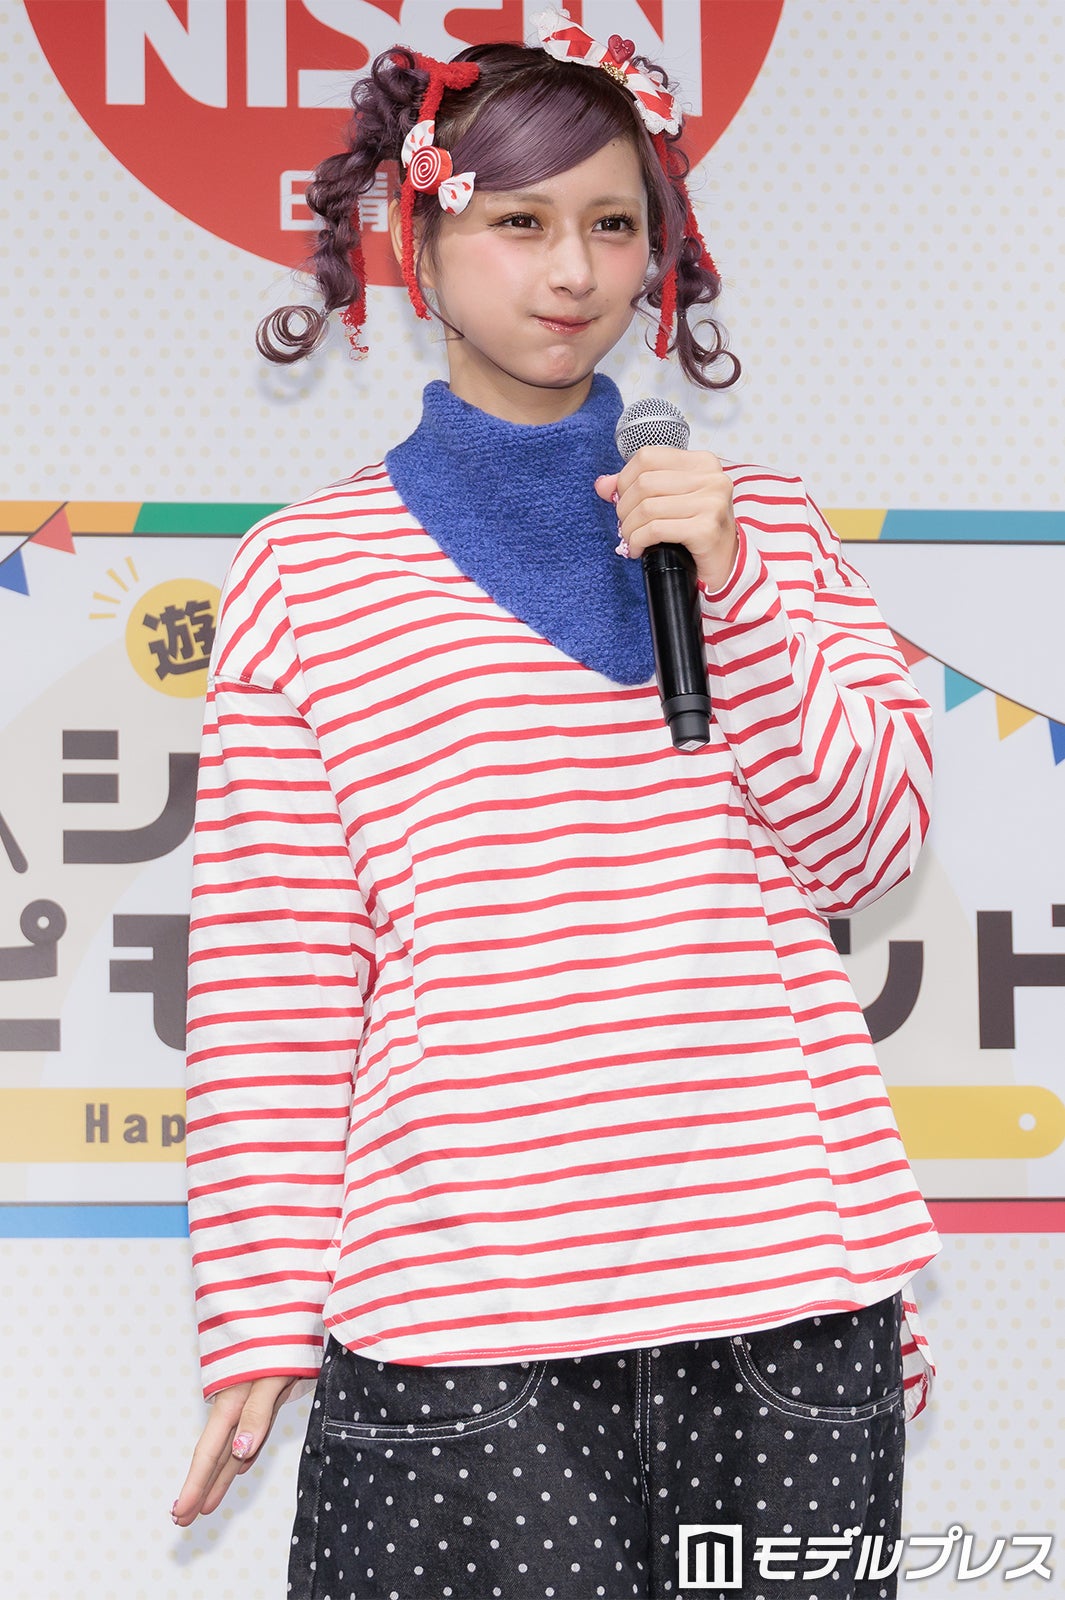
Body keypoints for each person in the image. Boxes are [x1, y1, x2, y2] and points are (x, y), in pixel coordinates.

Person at [173, 10, 940, 1598]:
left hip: (787, 1297)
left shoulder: (760, 529)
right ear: (419, 239)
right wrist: (257, 1310)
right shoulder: (306, 575)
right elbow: (276, 975)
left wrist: (730, 585)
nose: (573, 271)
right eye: (519, 224)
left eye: (611, 224)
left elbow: (867, 843)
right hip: (465, 1318)